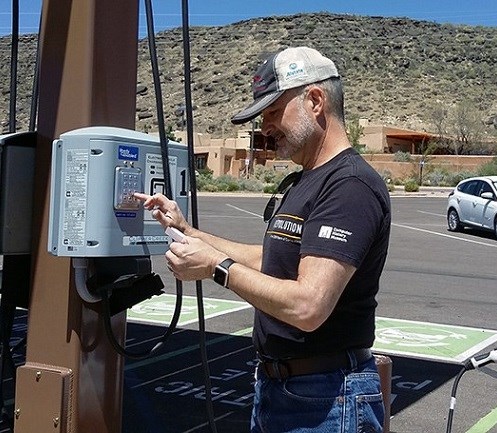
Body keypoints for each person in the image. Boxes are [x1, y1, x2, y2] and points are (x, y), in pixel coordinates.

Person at [135, 46, 391, 433]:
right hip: (286, 390)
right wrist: (188, 231)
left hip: (326, 399)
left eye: (273, 111)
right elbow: (274, 258)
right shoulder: (308, 180)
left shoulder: (349, 186)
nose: (265, 126)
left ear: (316, 101)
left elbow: (308, 306)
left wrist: (216, 267)